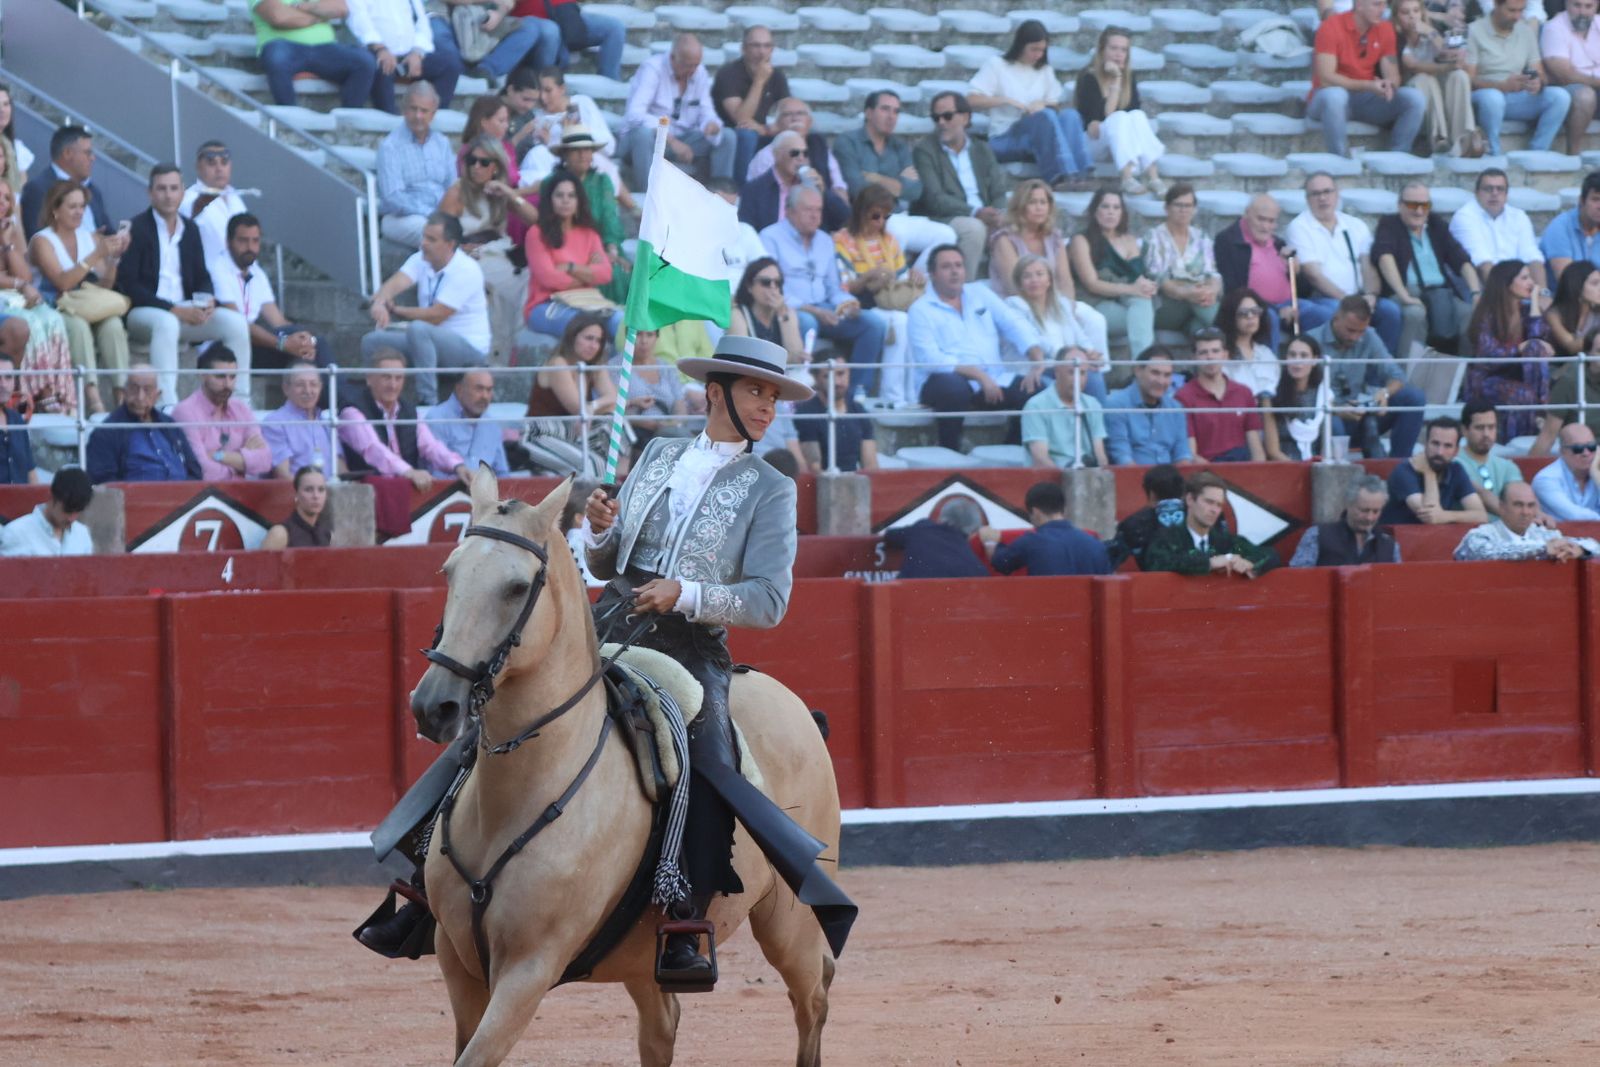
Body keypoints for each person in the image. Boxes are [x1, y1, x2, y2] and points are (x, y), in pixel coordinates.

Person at [569, 334, 851, 978]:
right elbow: (607, 565)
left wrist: (685, 593)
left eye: (774, 395)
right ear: (715, 392)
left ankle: (683, 921)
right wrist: (601, 527)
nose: (767, 406)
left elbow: (769, 602)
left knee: (709, 759)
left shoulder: (771, 487)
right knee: (505, 699)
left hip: (689, 645)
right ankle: (426, 875)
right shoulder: (657, 453)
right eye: (756, 390)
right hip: (605, 622)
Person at [120, 165, 254, 404]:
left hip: (185, 311)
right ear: (150, 193)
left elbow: (202, 276)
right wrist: (173, 309)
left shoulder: (190, 229)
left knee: (235, 323)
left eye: (174, 188)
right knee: (167, 322)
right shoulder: (137, 228)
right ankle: (167, 403)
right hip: (145, 313)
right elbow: (130, 285)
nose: (168, 195)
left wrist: (207, 300)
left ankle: (240, 400)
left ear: (183, 192)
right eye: (161, 189)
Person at [907, 244, 1046, 450]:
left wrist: (1036, 358)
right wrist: (978, 375)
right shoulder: (920, 309)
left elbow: (1013, 323)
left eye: (959, 265)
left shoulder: (980, 293)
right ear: (932, 274)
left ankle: (1011, 451)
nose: (955, 272)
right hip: (944, 381)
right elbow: (930, 359)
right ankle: (948, 451)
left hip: (993, 378)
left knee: (1037, 391)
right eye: (946, 267)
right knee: (953, 388)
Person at [761, 186, 887, 395]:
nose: (814, 215)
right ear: (789, 211)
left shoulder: (825, 241)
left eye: (818, 210)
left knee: (873, 323)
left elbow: (833, 288)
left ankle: (856, 392)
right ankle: (800, 388)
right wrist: (814, 311)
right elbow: (772, 290)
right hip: (790, 309)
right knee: (808, 322)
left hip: (826, 307)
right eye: (808, 210)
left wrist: (848, 303)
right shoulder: (770, 237)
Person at [362, 213, 489, 407]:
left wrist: (398, 310)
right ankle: (375, 402)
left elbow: (436, 316)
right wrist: (380, 302)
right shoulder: (420, 259)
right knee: (372, 341)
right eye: (423, 236)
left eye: (431, 239)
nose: (423, 243)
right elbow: (395, 283)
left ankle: (427, 402)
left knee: (419, 329)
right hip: (428, 345)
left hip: (469, 353)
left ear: (450, 244)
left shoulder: (466, 269)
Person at [29, 181, 129, 416]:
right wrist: (96, 255)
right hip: (54, 307)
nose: (79, 212)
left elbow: (105, 286)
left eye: (82, 206)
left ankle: (122, 396)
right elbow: (61, 282)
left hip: (85, 303)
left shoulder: (90, 238)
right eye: (72, 207)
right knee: (78, 326)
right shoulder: (42, 240)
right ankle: (94, 399)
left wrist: (114, 258)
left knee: (113, 325)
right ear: (55, 210)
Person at [440, 135, 538, 364]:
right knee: (515, 284)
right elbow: (439, 234)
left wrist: (510, 194)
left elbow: (535, 221)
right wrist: (461, 248)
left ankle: (514, 349)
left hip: (500, 254)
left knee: (532, 280)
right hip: (471, 257)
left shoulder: (499, 191)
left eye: (484, 163)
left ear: (496, 166)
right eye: (472, 161)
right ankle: (502, 355)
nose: (476, 167)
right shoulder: (457, 192)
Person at [833, 90, 956, 265]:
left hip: (899, 215)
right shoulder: (848, 142)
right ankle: (896, 284)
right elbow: (858, 188)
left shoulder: (899, 146)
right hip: (869, 217)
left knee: (946, 235)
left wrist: (875, 178)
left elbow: (915, 190)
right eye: (885, 109)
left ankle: (914, 283)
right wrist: (898, 183)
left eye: (896, 111)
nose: (892, 116)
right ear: (868, 113)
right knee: (895, 230)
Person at [1288, 175, 1403, 358]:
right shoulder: (1300, 227)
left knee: (1390, 311)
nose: (1322, 198)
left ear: (1337, 194)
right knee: (1333, 311)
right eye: (1315, 193)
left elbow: (1368, 266)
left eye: (1327, 192)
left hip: (1358, 296)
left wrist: (1371, 295)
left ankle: (1379, 372)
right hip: (1324, 297)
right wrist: (1350, 302)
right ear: (1307, 199)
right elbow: (1313, 275)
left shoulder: (1355, 225)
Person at [967, 20, 1091, 188]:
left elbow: (1054, 105)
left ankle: (1081, 176)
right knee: (1044, 117)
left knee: (1070, 115)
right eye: (1034, 49)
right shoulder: (997, 65)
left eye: (1042, 50)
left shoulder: (1045, 70)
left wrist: (1042, 104)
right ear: (1021, 45)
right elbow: (971, 100)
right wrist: (1004, 100)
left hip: (1040, 138)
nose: (1038, 55)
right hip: (1006, 135)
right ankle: (1060, 176)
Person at [1307, 296, 1426, 458]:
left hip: (1358, 414)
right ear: (1336, 318)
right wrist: (1335, 409)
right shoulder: (1312, 341)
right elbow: (1301, 395)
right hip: (1325, 417)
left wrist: (1384, 393)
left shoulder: (1369, 336)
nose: (1355, 337)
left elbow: (1396, 375)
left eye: (1361, 331)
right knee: (1331, 423)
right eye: (1350, 330)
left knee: (1414, 398)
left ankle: (1399, 465)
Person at [211, 213, 329, 377]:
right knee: (305, 350)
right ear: (228, 242)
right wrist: (283, 343)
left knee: (313, 345)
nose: (250, 247)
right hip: (224, 347)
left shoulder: (256, 272)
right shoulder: (217, 269)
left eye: (255, 241)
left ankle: (330, 398)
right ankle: (338, 399)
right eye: (243, 240)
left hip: (253, 345)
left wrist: (301, 338)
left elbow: (279, 322)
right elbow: (238, 324)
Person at [1372, 181, 1480, 359]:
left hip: (1439, 293)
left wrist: (1475, 293)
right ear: (1400, 205)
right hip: (1407, 289)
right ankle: (1407, 377)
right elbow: (1385, 257)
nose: (1419, 211)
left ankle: (1463, 378)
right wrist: (1403, 295)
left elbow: (1461, 260)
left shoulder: (1436, 225)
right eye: (1412, 205)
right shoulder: (1389, 224)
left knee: (1470, 314)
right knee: (1415, 313)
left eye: (1425, 205)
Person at [1308, 0, 1427, 156]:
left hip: (1363, 99)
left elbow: (1392, 75)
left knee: (1414, 98)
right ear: (1359, 5)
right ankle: (1340, 158)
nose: (1383, 10)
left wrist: (1388, 85)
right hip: (1325, 98)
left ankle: (1398, 157)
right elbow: (1326, 79)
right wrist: (1368, 85)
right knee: (1335, 95)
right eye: (1376, 4)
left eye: (1384, 4)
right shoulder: (1331, 26)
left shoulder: (1385, 28)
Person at [832, 186, 917, 404]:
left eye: (886, 216)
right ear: (862, 212)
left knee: (912, 318)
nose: (880, 222)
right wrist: (868, 278)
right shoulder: (842, 240)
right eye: (875, 216)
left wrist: (912, 279)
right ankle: (892, 396)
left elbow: (901, 277)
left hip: (889, 300)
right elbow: (843, 286)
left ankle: (910, 394)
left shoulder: (889, 240)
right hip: (860, 303)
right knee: (899, 322)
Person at [340, 349, 469, 489]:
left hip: (406, 489)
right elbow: (373, 449)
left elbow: (430, 446)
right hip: (368, 493)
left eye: (398, 378)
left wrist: (458, 466)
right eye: (386, 377)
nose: (393, 385)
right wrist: (408, 471)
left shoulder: (409, 410)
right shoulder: (351, 411)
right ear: (369, 378)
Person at [911, 91, 1007, 278]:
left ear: (965, 117)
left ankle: (1018, 295)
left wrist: (998, 214)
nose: (941, 123)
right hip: (944, 217)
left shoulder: (981, 149)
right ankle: (963, 292)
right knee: (974, 229)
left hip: (984, 215)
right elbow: (935, 199)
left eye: (947, 116)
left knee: (1019, 224)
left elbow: (998, 189)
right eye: (936, 118)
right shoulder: (925, 150)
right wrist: (976, 213)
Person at [621, 33, 732, 190]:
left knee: (727, 136)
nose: (693, 70)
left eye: (696, 65)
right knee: (643, 135)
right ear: (673, 57)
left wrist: (711, 124)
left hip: (685, 138)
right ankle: (647, 198)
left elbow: (707, 111)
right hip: (648, 141)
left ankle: (721, 197)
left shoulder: (699, 71)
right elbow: (634, 114)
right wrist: (671, 140)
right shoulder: (652, 69)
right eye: (688, 65)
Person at [0, 179, 74, 417]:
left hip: (12, 295)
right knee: (28, 323)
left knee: (52, 319)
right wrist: (19, 284)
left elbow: (25, 275)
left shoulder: (10, 226)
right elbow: (21, 281)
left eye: (7, 198)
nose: (3, 203)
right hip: (7, 296)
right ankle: (33, 393)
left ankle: (54, 391)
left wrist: (6, 243)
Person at [1466, 259, 1557, 449]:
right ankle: (1513, 447)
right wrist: (1518, 349)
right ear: (1506, 283)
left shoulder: (1525, 311)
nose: (1531, 283)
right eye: (1524, 278)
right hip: (1487, 379)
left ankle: (1539, 409)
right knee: (1522, 394)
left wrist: (1533, 304)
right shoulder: (1488, 313)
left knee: (1534, 349)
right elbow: (1488, 356)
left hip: (1523, 377)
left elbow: (1538, 341)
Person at [1214, 194, 1323, 351]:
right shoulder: (1228, 241)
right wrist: (1276, 309)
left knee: (1325, 313)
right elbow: (1234, 289)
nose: (1266, 226)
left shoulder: (1279, 244)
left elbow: (1304, 291)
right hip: (1255, 308)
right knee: (1269, 318)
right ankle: (1269, 370)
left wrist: (1295, 272)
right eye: (1261, 219)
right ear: (1247, 214)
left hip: (1290, 305)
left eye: (1271, 221)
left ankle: (1317, 369)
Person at [1464, 0, 1572, 154]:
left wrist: (1537, 83)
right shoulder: (1474, 30)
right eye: (1512, 10)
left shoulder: (1525, 31)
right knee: (1493, 98)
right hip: (1485, 96)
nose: (1517, 16)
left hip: (1516, 94)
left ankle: (1538, 152)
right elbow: (1468, 81)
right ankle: (1493, 152)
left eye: (1521, 11)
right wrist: (1502, 86)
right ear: (1496, 5)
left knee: (1560, 97)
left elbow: (1539, 72)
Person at [515, 67, 631, 208]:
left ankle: (631, 208)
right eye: (539, 91)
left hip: (589, 162)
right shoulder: (537, 117)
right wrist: (546, 141)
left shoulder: (581, 104)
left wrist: (574, 131)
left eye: (548, 90)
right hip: (555, 167)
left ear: (562, 89)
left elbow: (609, 147)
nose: (542, 97)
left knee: (598, 161)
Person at [1075, 28, 1168, 197]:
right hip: (1093, 143)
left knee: (1137, 115)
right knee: (1119, 117)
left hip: (1119, 144)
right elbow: (1103, 118)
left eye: (1123, 50)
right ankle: (1127, 177)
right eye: (1113, 48)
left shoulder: (1129, 77)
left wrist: (1120, 77)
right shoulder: (1089, 77)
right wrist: (1116, 78)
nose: (1118, 54)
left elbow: (1133, 113)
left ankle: (1154, 177)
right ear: (1102, 50)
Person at [1069, 188, 1157, 361]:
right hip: (1096, 302)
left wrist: (1147, 286)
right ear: (1095, 211)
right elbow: (1091, 283)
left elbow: (1138, 277)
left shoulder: (1129, 240)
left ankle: (1144, 365)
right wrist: (1132, 289)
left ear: (1122, 213)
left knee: (1143, 302)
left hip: (1127, 301)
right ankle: (1144, 364)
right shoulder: (1081, 240)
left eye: (1116, 207)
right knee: (1141, 319)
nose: (1111, 212)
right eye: (1105, 207)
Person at [1005, 254, 1108, 399]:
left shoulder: (1061, 304)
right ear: (1020, 283)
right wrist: (1068, 358)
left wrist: (1088, 352)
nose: (1034, 280)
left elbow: (1079, 335)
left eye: (1040, 274)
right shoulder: (1013, 305)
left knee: (1093, 376)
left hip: (1067, 366)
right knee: (1054, 389)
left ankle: (1098, 421)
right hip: (1035, 369)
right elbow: (1034, 339)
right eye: (1027, 276)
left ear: (1049, 280)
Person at [548, 127, 629, 305]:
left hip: (602, 246)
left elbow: (609, 218)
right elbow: (549, 222)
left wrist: (611, 250)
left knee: (616, 271)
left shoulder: (602, 182)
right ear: (564, 155)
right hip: (565, 248)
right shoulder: (552, 182)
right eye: (576, 150)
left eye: (587, 149)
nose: (583, 155)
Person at [1144, 471, 1277, 576]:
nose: (1214, 510)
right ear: (1190, 499)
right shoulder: (1167, 538)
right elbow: (1157, 563)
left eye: (1219, 505)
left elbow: (1269, 554)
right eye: (1208, 502)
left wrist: (1249, 563)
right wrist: (1209, 563)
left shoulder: (1224, 540)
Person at [86, 363, 203, 483]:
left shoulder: (169, 425)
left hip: (183, 497)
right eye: (134, 389)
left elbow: (195, 471)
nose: (140, 397)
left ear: (157, 395)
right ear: (124, 392)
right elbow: (105, 482)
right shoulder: (107, 432)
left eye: (147, 390)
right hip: (136, 499)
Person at [1394, 0, 1483, 156]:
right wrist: (1445, 67)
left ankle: (1463, 137)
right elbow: (1413, 66)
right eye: (1405, 12)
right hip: (1412, 90)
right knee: (1424, 78)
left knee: (1459, 76)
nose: (1412, 16)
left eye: (1416, 11)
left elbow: (1446, 53)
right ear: (1396, 16)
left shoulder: (1430, 32)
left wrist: (1430, 32)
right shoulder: (1395, 37)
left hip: (1436, 87)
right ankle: (1438, 138)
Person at [526, 312, 616, 465]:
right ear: (572, 337)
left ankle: (620, 482)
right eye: (588, 338)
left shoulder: (593, 366)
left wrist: (593, 406)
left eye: (599, 341)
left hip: (574, 432)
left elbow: (614, 399)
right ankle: (609, 486)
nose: (594, 346)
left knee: (617, 427)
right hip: (544, 433)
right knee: (595, 464)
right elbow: (578, 409)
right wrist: (594, 408)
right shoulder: (558, 363)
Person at [250, 0, 376, 109]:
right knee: (276, 56)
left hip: (325, 48)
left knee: (365, 61)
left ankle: (349, 117)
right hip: (284, 47)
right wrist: (320, 16)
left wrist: (303, 7)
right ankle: (289, 113)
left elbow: (341, 8)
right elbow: (278, 17)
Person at [171, 346, 271, 482]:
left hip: (244, 494)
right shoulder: (185, 412)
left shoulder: (241, 409)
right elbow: (200, 469)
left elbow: (265, 461)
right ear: (202, 375)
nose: (228, 384)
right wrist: (241, 467)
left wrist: (219, 456)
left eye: (232, 377)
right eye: (220, 376)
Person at [346, 0, 464, 112]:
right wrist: (381, 49)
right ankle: (390, 116)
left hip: (409, 55)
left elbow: (422, 23)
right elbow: (359, 21)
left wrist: (417, 52)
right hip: (377, 52)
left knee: (450, 65)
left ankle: (434, 115)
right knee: (382, 66)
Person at [376, 82, 456, 247]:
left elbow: (452, 186)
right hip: (403, 218)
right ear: (404, 110)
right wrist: (430, 213)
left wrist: (447, 212)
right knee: (432, 231)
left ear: (433, 114)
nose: (418, 115)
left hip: (440, 213)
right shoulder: (391, 146)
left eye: (424, 111)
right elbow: (393, 198)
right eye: (413, 109)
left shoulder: (442, 143)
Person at [978, 480, 1112, 576]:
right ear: (1064, 509)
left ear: (1035, 512)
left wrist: (990, 543)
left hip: (1045, 616)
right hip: (1088, 615)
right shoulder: (1095, 544)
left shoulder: (1031, 541)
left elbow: (1001, 564)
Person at [1142, 184, 1220, 341]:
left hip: (1197, 304)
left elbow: (1213, 275)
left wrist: (1211, 292)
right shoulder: (1154, 237)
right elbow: (1160, 281)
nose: (1183, 210)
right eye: (1178, 205)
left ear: (1194, 209)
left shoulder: (1202, 237)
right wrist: (1189, 293)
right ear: (1166, 208)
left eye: (1188, 205)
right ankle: (1234, 353)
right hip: (1165, 306)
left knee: (1201, 331)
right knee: (1207, 308)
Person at [712, 25, 790, 181]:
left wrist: (765, 129)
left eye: (767, 46)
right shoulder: (728, 74)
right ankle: (742, 192)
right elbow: (741, 119)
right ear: (743, 48)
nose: (762, 51)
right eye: (756, 45)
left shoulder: (777, 76)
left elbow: (788, 113)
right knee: (747, 135)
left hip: (760, 131)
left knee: (800, 133)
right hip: (731, 133)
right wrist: (759, 81)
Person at [1177, 328, 1267, 462]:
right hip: (1206, 473)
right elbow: (1191, 455)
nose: (1210, 357)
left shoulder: (1244, 393)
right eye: (1203, 352)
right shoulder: (1183, 397)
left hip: (1241, 467)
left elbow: (1257, 450)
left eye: (1215, 351)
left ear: (1225, 355)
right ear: (1194, 357)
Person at [21, 126, 122, 244]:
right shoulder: (38, 189)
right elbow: (37, 240)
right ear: (67, 153)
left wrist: (118, 241)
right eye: (87, 153)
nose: (93, 158)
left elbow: (107, 232)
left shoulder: (93, 190)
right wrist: (88, 243)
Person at [1380, 415, 1488, 523]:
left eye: (1448, 446)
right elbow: (1430, 516)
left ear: (1456, 451)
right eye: (1435, 443)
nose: (1439, 452)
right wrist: (1429, 473)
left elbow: (1481, 516)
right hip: (1398, 537)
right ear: (1425, 444)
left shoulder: (1456, 470)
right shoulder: (1405, 470)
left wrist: (1445, 516)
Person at [1451, 168, 1546, 291]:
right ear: (1476, 193)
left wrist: (1543, 293)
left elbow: (1532, 257)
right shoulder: (1464, 217)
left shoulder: (1519, 216)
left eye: (1500, 189)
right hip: (1482, 291)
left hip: (1518, 288)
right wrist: (1505, 299)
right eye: (1488, 189)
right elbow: (1483, 264)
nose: (1494, 193)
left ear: (1506, 194)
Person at [738, 130, 849, 234]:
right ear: (777, 155)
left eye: (805, 153)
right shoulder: (755, 190)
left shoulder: (811, 186)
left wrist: (824, 193)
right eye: (794, 153)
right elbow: (747, 232)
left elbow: (846, 220)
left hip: (809, 248)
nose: (801, 158)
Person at [427, 0, 556, 90]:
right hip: (449, 18)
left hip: (486, 21)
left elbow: (508, 2)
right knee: (441, 37)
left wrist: (498, 15)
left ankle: (486, 69)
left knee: (530, 28)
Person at [1456, 479, 1600, 558]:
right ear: (1502, 507)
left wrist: (1580, 549)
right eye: (1518, 505)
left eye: (1531, 505)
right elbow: (1490, 552)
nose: (1525, 512)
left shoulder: (1543, 534)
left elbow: (1595, 546)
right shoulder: (1481, 535)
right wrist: (1541, 548)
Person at [1103, 345, 1193, 466]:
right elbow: (1121, 456)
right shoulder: (1116, 404)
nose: (1161, 381)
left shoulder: (1176, 408)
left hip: (1170, 480)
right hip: (1133, 479)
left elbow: (1182, 455)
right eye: (1155, 373)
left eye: (1167, 375)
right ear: (1138, 371)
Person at [742, 99, 848, 201]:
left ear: (810, 122)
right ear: (776, 124)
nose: (795, 118)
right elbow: (757, 197)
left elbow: (839, 187)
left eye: (800, 113)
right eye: (787, 114)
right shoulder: (766, 156)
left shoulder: (820, 148)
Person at [610, 325, 689, 459]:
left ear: (656, 338)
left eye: (650, 335)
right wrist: (639, 415)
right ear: (628, 337)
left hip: (669, 430)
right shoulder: (614, 367)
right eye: (638, 334)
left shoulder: (666, 367)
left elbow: (680, 405)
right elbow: (610, 408)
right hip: (635, 431)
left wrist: (675, 422)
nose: (644, 341)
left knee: (678, 435)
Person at [1021, 347, 1107, 469]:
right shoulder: (1036, 406)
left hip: (1087, 475)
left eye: (1082, 373)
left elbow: (1100, 455)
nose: (1078, 379)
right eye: (1072, 372)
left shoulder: (1093, 404)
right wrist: (1070, 481)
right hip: (1052, 480)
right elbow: (1040, 459)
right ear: (1057, 372)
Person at [1290, 474, 1401, 565]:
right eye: (1364, 510)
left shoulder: (1389, 545)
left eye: (1376, 511)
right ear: (1348, 504)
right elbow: (1297, 581)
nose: (1369, 518)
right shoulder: (1316, 535)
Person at [508, 0, 625, 81]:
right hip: (533, 18)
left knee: (614, 27)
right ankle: (544, 85)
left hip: (565, 13)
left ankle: (608, 82)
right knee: (551, 32)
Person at [1540, 0, 1600, 156]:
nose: (1583, 12)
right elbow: (1565, 74)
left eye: (1588, 6)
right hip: (1569, 88)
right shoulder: (1554, 27)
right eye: (1577, 5)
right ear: (1566, 4)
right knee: (1585, 95)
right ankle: (1573, 153)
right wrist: (1596, 81)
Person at [795, 360, 877, 473]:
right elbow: (814, 468)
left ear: (849, 373)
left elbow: (871, 465)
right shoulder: (807, 413)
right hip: (825, 484)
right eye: (828, 376)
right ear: (816, 379)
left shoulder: (858, 410)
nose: (837, 382)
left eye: (841, 373)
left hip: (856, 482)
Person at [425, 368, 509, 476]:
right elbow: (434, 473)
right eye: (479, 389)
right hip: (449, 491)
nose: (485, 396)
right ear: (459, 389)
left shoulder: (492, 425)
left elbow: (502, 473)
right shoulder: (437, 419)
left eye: (489, 390)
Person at [261, 360, 337, 478]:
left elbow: (340, 468)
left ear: (320, 387)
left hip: (332, 491)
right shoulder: (274, 423)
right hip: (296, 493)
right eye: (300, 385)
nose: (308, 391)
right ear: (286, 388)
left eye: (313, 384)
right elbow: (283, 475)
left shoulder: (328, 422)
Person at [1262, 334, 1331, 461]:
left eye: (1304, 356)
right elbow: (1272, 451)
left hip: (1316, 464)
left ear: (1315, 360)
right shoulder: (1270, 395)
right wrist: (1299, 468)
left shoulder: (1324, 394)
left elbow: (1326, 445)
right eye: (1292, 355)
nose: (1297, 361)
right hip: (1283, 465)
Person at [179, 141, 249, 265]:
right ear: (198, 167)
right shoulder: (188, 201)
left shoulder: (236, 199)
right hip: (206, 279)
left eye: (224, 162)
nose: (219, 169)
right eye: (211, 163)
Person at [884, 497, 990, 579]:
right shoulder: (976, 569)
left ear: (941, 517)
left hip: (904, 601)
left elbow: (889, 536)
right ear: (973, 533)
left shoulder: (922, 529)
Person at [1103, 463, 1185, 569]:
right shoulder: (1198, 517)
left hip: (1153, 584)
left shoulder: (1134, 524)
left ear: (1151, 494)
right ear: (1183, 491)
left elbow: (1109, 560)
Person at [1455, 399, 1529, 516]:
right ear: (1464, 430)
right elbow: (1480, 495)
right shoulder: (1453, 463)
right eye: (1479, 428)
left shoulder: (1507, 466)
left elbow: (1520, 497)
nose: (1486, 434)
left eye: (1491, 427)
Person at [0, 465, 92, 557]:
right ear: (52, 497)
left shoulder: (82, 535)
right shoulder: (16, 534)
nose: (72, 518)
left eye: (78, 511)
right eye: (67, 510)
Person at [726, 257, 805, 363]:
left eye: (778, 282)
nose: (773, 287)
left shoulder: (787, 314)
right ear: (749, 286)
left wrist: (782, 315)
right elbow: (742, 357)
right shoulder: (737, 314)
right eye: (765, 282)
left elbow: (796, 358)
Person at [1218, 288, 1281, 400]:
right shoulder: (1221, 355)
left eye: (1255, 311)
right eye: (1243, 313)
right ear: (1231, 317)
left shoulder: (1266, 353)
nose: (1250, 316)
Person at [1540, 171, 1600, 281]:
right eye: (1596, 199)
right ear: (1581, 200)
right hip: (1564, 296)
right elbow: (1568, 283)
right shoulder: (1560, 227)